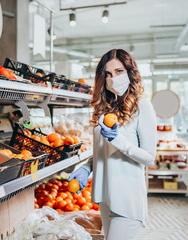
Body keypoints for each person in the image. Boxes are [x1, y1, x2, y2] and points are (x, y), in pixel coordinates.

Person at [68, 49, 157, 240]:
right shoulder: (106, 108)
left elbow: (149, 157)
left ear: (130, 73)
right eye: (108, 74)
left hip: (127, 199)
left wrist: (118, 140)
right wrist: (87, 167)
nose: (113, 78)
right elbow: (105, 152)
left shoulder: (142, 106)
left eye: (118, 71)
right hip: (105, 198)